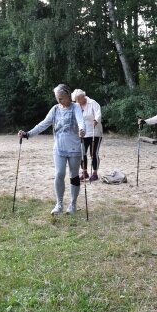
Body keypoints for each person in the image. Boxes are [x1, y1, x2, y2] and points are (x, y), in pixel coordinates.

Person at [19, 84, 85, 214]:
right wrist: (28, 134)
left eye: (61, 98)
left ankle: (73, 204)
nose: (58, 101)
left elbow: (80, 121)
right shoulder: (55, 109)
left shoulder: (76, 107)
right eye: (57, 98)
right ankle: (59, 204)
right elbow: (43, 124)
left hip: (74, 148)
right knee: (59, 174)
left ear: (68, 96)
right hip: (59, 148)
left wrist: (82, 129)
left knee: (74, 175)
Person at [72, 89, 103, 181]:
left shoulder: (92, 103)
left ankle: (95, 173)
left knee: (93, 153)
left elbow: (98, 113)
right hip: (82, 133)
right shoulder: (76, 106)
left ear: (83, 97)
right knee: (82, 153)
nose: (77, 101)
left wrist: (96, 120)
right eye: (75, 100)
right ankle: (84, 172)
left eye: (78, 99)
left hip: (95, 132)